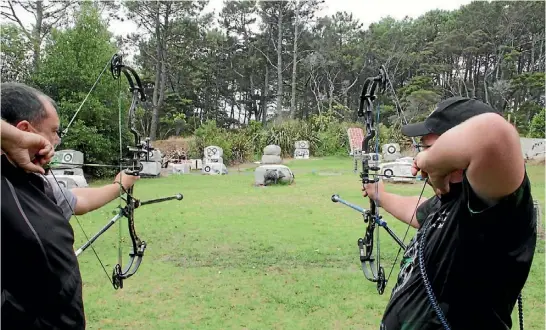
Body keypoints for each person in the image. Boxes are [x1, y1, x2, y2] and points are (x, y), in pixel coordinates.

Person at [362, 97, 537, 329]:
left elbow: (494, 134)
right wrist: (380, 196)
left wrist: (430, 162)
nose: (419, 154)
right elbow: (419, 212)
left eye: (426, 146)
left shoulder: (496, 206)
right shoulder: (450, 199)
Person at [1, 82, 140, 221]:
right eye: (54, 131)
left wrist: (120, 186)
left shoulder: (36, 184)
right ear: (24, 130)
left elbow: (79, 200)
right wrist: (17, 139)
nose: (57, 139)